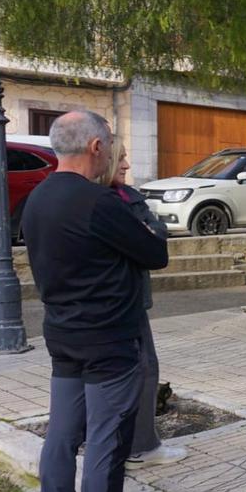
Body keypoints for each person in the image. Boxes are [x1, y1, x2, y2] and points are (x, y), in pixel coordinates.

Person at [21, 111, 172, 492]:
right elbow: (156, 253)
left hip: (64, 335)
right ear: (94, 147)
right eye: (108, 142)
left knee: (62, 437)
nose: (110, 150)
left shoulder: (36, 199)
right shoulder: (98, 203)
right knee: (107, 442)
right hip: (108, 339)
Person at [98, 145, 186, 469]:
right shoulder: (99, 201)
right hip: (116, 304)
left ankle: (138, 443)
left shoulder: (129, 196)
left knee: (146, 369)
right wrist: (141, 236)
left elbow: (158, 235)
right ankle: (138, 448)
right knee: (140, 369)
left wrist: (146, 235)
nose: (126, 164)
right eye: (119, 157)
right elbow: (142, 239)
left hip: (132, 299)